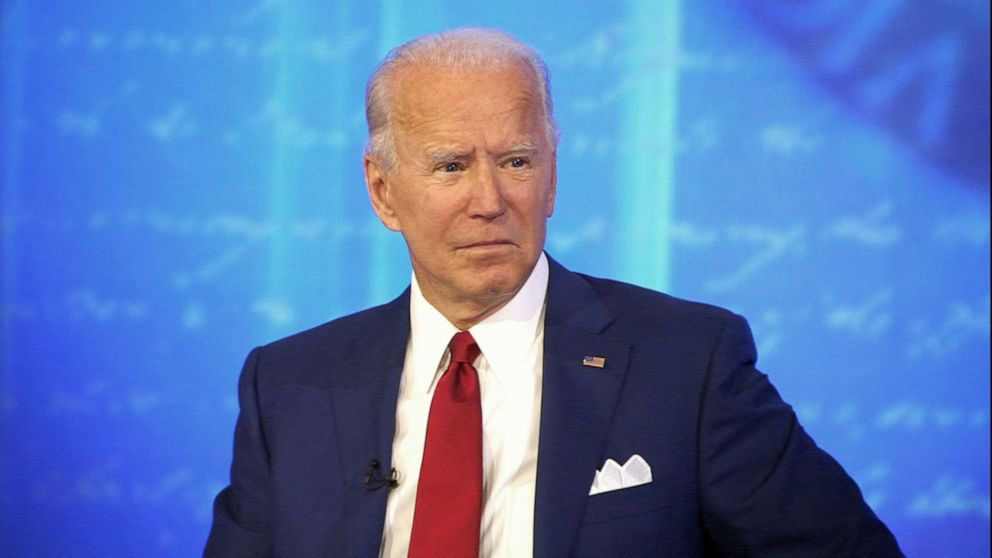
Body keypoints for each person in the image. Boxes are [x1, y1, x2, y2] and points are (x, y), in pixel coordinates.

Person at [205, 28, 904, 557]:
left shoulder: (688, 364)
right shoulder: (288, 385)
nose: (489, 200)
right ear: (383, 192)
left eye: (516, 161)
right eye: (451, 166)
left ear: (553, 176)